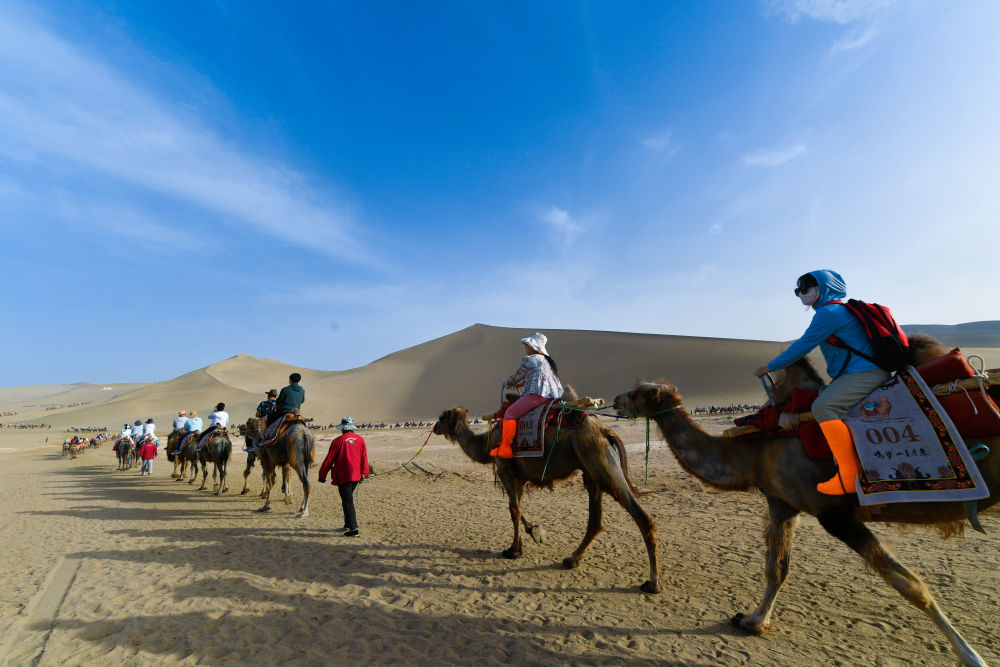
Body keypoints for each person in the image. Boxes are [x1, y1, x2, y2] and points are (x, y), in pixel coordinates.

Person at [754, 270, 891, 495]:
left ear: (823, 287)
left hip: (866, 373)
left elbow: (803, 345)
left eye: (806, 286)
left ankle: (848, 476)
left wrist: (770, 366)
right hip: (855, 375)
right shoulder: (833, 311)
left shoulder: (830, 313)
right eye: (797, 289)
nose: (801, 293)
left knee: (823, 407)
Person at [489, 332, 563, 459]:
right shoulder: (547, 361)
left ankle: (505, 448)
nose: (525, 348)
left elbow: (515, 377)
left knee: (509, 414)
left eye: (527, 345)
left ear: (533, 347)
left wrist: (506, 383)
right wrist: (522, 384)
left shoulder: (529, 360)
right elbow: (539, 378)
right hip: (554, 396)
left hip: (538, 395)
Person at [318, 417, 369, 537]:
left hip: (343, 476)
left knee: (347, 501)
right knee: (347, 499)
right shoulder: (360, 439)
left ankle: (354, 528)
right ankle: (347, 523)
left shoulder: (338, 441)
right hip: (356, 476)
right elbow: (364, 458)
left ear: (342, 429)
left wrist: (322, 475)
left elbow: (329, 460)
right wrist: (364, 473)